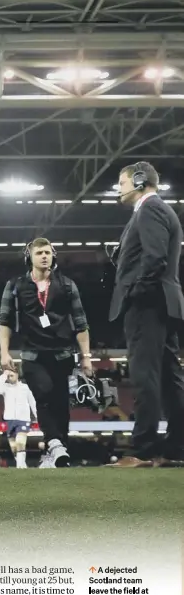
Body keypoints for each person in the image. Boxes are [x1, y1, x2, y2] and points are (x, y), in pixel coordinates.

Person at [108, 161, 184, 467]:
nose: (119, 188)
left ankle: (144, 448)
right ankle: (176, 446)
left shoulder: (150, 209)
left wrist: (135, 290)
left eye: (122, 182)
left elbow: (155, 258)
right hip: (163, 302)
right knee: (168, 376)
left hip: (148, 303)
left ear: (139, 181)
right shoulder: (157, 210)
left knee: (146, 376)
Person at [0, 237, 92, 468]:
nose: (44, 256)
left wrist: (86, 357)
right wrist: (4, 352)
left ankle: (58, 453)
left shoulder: (68, 285)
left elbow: (81, 323)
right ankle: (54, 443)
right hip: (32, 355)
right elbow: (4, 320)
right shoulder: (16, 286)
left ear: (53, 256)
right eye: (39, 252)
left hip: (63, 354)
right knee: (44, 394)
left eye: (48, 252)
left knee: (60, 403)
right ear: (29, 256)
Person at [0, 368, 37, 468]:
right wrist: (4, 375)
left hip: (23, 419)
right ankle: (23, 465)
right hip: (9, 419)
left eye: (11, 375)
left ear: (17, 375)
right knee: (13, 447)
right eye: (8, 376)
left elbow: (32, 402)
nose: (9, 378)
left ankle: (20, 467)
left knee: (20, 442)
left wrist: (37, 416)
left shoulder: (25, 387)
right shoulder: (5, 387)